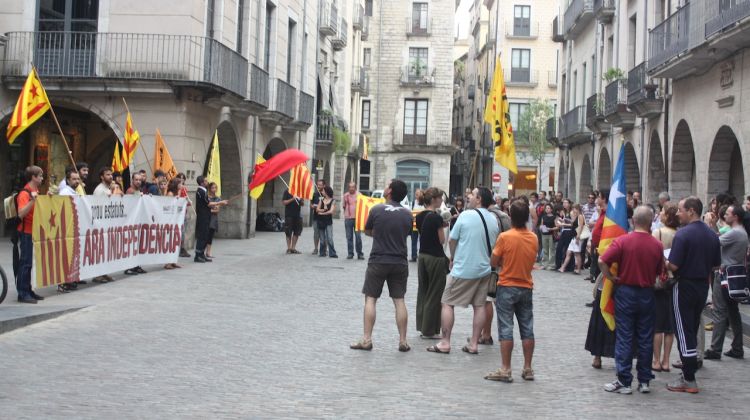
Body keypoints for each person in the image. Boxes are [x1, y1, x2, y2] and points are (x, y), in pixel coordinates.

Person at [599, 206, 665, 395]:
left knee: (625, 337)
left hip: (626, 291)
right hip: (647, 293)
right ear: (651, 222)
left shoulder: (622, 241)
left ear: (633, 220)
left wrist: (610, 278)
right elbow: (660, 272)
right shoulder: (656, 245)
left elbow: (602, 261)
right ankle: (644, 380)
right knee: (645, 337)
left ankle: (624, 380)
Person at [427, 187, 499, 355]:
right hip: (484, 269)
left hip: (464, 268)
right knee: (479, 305)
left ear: (479, 199)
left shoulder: (466, 215)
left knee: (447, 302)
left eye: (472, 194)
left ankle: (445, 342)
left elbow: (452, 240)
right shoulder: (493, 219)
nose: (469, 196)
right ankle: (474, 343)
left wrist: (452, 257)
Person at [666, 197, 721, 394]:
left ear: (691, 211)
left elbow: (673, 265)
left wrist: (663, 261)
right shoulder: (712, 235)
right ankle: (689, 373)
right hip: (702, 286)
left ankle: (689, 377)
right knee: (691, 327)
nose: (678, 214)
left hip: (684, 284)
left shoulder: (683, 235)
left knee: (683, 330)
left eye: (680, 210)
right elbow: (716, 263)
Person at [350, 179, 413, 352]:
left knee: (370, 299)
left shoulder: (377, 209)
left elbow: (368, 231)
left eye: (387, 186)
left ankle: (367, 339)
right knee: (399, 301)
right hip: (399, 261)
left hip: (378, 260)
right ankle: (403, 340)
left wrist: (381, 235)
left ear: (390, 191)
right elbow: (406, 233)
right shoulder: (407, 214)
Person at [484, 200, 539, 383]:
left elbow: (493, 261)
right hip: (526, 285)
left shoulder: (505, 237)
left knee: (506, 328)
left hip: (507, 285)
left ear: (511, 217)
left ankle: (506, 368)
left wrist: (502, 263)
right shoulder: (533, 237)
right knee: (527, 328)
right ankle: (528, 367)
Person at [704, 204, 748, 360]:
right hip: (733, 275)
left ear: (735, 217)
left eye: (728, 214)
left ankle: (715, 349)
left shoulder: (735, 233)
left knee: (720, 311)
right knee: (732, 312)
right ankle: (737, 347)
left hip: (724, 275)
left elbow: (712, 242)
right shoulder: (740, 232)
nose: (725, 216)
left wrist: (709, 225)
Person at [415, 187, 448, 339]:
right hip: (435, 257)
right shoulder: (436, 217)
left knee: (423, 291)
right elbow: (441, 240)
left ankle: (422, 326)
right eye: (440, 198)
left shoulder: (420, 216)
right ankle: (429, 330)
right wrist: (443, 226)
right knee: (435, 293)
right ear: (434, 200)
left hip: (422, 255)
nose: (442, 201)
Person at [651, 203, 679, 372]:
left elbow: (653, 256)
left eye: (662, 211)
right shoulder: (680, 235)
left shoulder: (658, 233)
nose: (660, 213)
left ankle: (656, 360)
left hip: (659, 281)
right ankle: (666, 360)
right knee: (669, 326)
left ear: (668, 215)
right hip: (674, 281)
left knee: (657, 325)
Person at [15, 166, 46, 303]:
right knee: (25, 263)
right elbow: (21, 214)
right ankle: (22, 293)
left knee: (29, 263)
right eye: (40, 176)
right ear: (33, 177)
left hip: (32, 232)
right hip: (25, 232)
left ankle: (28, 290)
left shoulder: (35, 190)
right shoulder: (25, 193)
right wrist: (33, 200)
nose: (42, 178)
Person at [123, 173, 148, 276]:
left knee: (137, 245)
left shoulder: (139, 191)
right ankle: (128, 267)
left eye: (139, 180)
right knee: (130, 245)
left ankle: (136, 265)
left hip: (138, 222)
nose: (138, 181)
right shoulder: (130, 191)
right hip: (131, 223)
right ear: (132, 180)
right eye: (136, 180)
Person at [560, 204, 585, 274]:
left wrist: (578, 236)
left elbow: (580, 226)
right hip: (573, 236)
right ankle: (563, 267)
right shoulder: (576, 216)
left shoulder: (580, 216)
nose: (573, 210)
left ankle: (578, 269)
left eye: (575, 209)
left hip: (577, 236)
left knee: (577, 253)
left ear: (578, 209)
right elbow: (573, 224)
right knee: (569, 251)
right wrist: (565, 221)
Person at [206, 182, 228, 259]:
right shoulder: (207, 198)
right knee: (205, 234)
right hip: (206, 218)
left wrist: (209, 210)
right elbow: (207, 207)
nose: (214, 189)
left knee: (210, 235)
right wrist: (210, 209)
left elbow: (217, 210)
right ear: (209, 188)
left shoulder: (218, 198)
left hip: (213, 219)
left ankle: (208, 252)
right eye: (212, 188)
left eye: (215, 188)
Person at [342, 182, 364, 260]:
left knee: (358, 237)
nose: (351, 189)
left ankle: (360, 253)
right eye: (350, 187)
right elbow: (344, 206)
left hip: (357, 219)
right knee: (349, 237)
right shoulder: (345, 195)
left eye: (353, 187)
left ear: (355, 187)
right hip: (348, 218)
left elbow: (362, 206)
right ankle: (350, 253)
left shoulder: (359, 195)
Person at [194, 176, 212, 263]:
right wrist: (221, 202)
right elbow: (208, 203)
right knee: (202, 236)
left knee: (205, 235)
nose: (207, 182)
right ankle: (198, 255)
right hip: (202, 216)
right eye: (205, 181)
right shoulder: (201, 191)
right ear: (202, 183)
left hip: (206, 215)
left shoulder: (204, 191)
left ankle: (202, 254)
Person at [316, 185, 338, 258]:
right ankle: (322, 252)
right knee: (322, 238)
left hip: (328, 221)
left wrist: (322, 213)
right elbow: (317, 209)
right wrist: (323, 210)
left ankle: (332, 253)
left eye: (323, 191)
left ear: (327, 192)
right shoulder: (321, 200)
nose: (322, 192)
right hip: (321, 221)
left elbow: (331, 211)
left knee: (329, 237)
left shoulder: (333, 201)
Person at [282, 188, 304, 255]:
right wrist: (293, 199)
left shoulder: (299, 191)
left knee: (297, 232)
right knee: (288, 232)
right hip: (289, 215)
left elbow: (302, 204)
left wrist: (300, 199)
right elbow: (284, 202)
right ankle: (288, 248)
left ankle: (293, 248)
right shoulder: (287, 191)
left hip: (297, 215)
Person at [176, 172, 192, 258]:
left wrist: (187, 201)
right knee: (179, 232)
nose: (181, 180)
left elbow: (187, 203)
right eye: (180, 178)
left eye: (183, 178)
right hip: (178, 213)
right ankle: (179, 248)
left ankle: (182, 248)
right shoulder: (177, 189)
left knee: (183, 232)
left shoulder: (184, 189)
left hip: (184, 212)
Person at [555, 200, 574, 270]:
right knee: (559, 248)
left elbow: (573, 224)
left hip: (569, 232)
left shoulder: (571, 212)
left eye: (566, 203)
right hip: (564, 231)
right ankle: (558, 264)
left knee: (567, 248)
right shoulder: (565, 212)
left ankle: (569, 266)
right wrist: (561, 221)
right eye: (563, 203)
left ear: (569, 204)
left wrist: (563, 224)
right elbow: (567, 221)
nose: (564, 204)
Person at [538, 204, 558, 270]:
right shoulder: (543, 217)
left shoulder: (554, 217)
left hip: (551, 234)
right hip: (544, 234)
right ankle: (544, 264)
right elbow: (541, 225)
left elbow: (557, 227)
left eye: (549, 208)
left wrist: (551, 229)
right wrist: (541, 228)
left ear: (551, 209)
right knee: (545, 249)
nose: (547, 209)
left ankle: (551, 264)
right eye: (546, 208)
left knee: (551, 249)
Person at [310, 179, 326, 254]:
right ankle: (316, 248)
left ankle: (324, 248)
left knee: (324, 233)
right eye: (318, 185)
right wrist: (313, 206)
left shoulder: (326, 194)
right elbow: (311, 204)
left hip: (324, 217)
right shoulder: (314, 194)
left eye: (320, 185)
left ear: (324, 185)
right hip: (316, 217)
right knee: (316, 233)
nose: (318, 186)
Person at [410, 189, 425, 262]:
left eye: (417, 194)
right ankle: (414, 256)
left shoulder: (425, 203)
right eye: (415, 194)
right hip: (414, 224)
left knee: (423, 241)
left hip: (423, 225)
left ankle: (422, 255)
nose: (416, 196)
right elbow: (411, 212)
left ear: (422, 194)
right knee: (414, 241)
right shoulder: (413, 202)